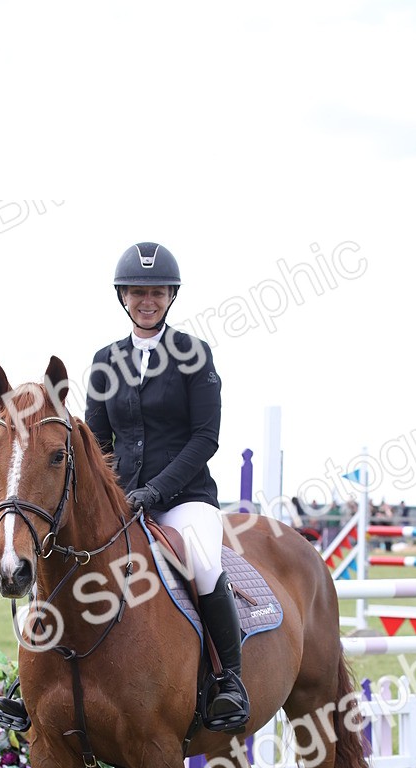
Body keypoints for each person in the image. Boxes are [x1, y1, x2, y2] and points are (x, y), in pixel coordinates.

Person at [84, 241, 250, 733]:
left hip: (184, 499)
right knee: (68, 559)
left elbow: (206, 438)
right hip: (122, 501)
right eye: (137, 292)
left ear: (170, 296)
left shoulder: (193, 355)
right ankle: (33, 680)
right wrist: (108, 494)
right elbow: (96, 439)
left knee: (201, 561)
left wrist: (155, 492)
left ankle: (230, 682)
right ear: (123, 297)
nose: (146, 300)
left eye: (155, 291)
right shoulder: (105, 360)